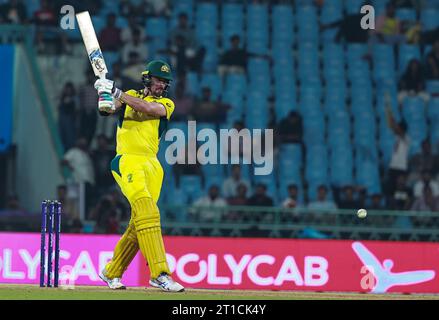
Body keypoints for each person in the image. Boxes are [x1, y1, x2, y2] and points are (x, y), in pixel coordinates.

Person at [93, 60, 184, 292]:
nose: (162, 85)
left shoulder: (166, 103)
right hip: (128, 160)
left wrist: (116, 92)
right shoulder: (129, 96)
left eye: (165, 82)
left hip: (153, 165)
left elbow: (149, 109)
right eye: (158, 80)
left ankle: (111, 272)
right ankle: (160, 274)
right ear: (147, 78)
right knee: (148, 211)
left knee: (140, 223)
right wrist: (104, 92)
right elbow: (108, 109)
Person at [385, 103, 410, 197]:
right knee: (391, 189)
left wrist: (393, 119)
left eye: (399, 128)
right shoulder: (396, 138)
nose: (396, 129)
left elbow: (396, 129)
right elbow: (392, 126)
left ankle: (401, 207)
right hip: (393, 167)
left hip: (401, 168)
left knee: (400, 189)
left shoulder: (407, 138)